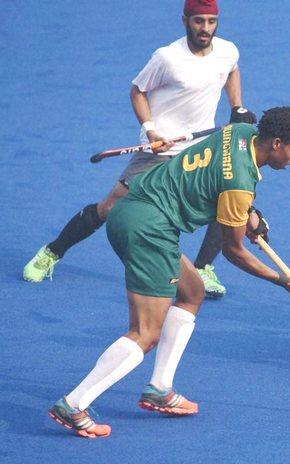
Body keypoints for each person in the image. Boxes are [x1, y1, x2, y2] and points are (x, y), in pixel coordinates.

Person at [48, 107, 290, 438]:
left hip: (132, 211)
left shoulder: (239, 133)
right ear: (276, 143)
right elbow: (234, 252)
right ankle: (74, 403)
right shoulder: (240, 183)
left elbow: (225, 183)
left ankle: (159, 387)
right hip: (149, 230)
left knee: (192, 291)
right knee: (146, 332)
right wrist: (282, 280)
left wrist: (249, 213)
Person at [23, 0, 256, 301]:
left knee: (222, 201)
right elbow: (138, 90)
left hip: (200, 149)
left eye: (211, 22)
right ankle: (52, 252)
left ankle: (202, 269)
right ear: (185, 20)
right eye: (199, 21)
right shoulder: (167, 58)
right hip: (160, 149)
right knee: (111, 207)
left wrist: (237, 106)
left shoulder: (228, 51)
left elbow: (232, 71)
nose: (205, 29)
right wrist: (151, 130)